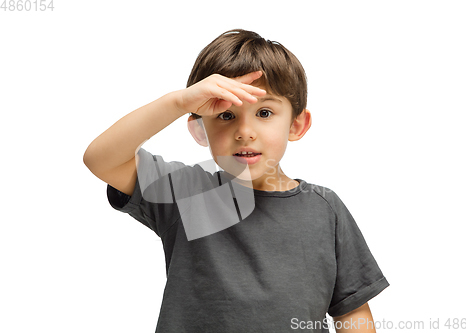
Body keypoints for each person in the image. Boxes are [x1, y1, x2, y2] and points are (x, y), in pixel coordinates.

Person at [83, 29, 389, 333]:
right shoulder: (186, 193)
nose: (245, 131)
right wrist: (178, 103)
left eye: (265, 112)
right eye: (226, 115)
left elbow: (352, 310)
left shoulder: (325, 208)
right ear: (199, 129)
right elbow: (101, 159)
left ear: (296, 125)